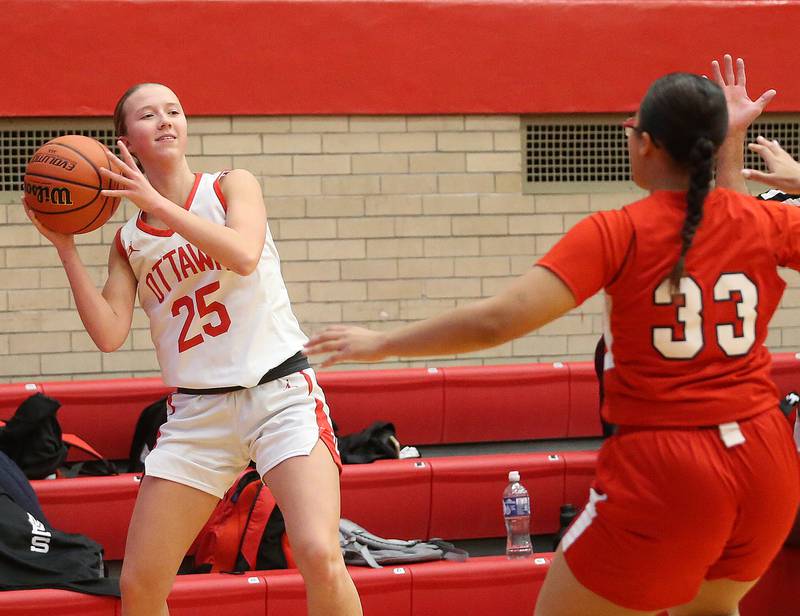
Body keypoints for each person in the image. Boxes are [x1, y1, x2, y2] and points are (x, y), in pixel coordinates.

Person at [304, 65, 800, 614]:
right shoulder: (763, 220)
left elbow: (499, 321)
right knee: (710, 610)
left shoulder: (619, 230)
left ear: (649, 145)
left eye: (632, 130)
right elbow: (727, 212)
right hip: (766, 459)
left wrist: (382, 342)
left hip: (670, 463)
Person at [23, 83, 362, 616]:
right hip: (198, 412)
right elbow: (109, 335)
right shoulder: (129, 241)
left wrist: (156, 202)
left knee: (320, 554)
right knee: (140, 585)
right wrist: (65, 248)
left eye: (174, 111)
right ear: (124, 143)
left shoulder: (231, 187)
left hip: (280, 396)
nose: (164, 120)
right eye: (147, 114)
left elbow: (244, 255)